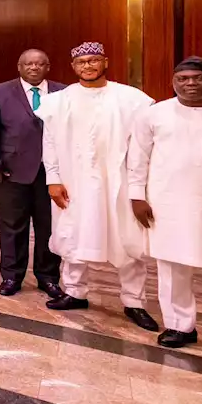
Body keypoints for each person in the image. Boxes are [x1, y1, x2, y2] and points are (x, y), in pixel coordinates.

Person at [39, 42, 157, 331]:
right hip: (73, 182)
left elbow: (143, 145)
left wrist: (139, 189)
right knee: (73, 235)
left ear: (105, 62)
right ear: (73, 67)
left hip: (119, 183)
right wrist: (52, 178)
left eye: (93, 61)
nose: (88, 66)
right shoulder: (60, 100)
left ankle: (134, 302)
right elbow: (50, 142)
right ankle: (74, 292)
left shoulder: (131, 98)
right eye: (82, 62)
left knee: (127, 241)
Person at [130, 57, 202, 351]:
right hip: (168, 204)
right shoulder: (154, 115)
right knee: (173, 267)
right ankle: (179, 326)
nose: (190, 84)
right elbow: (137, 158)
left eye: (198, 78)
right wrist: (137, 196)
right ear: (173, 82)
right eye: (183, 79)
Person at [0, 49, 65, 297]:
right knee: (12, 227)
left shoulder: (64, 92)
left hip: (52, 174)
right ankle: (12, 276)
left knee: (48, 227)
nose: (34, 68)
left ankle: (48, 277)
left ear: (48, 67)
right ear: (19, 67)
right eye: (28, 64)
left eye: (39, 64)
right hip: (9, 173)